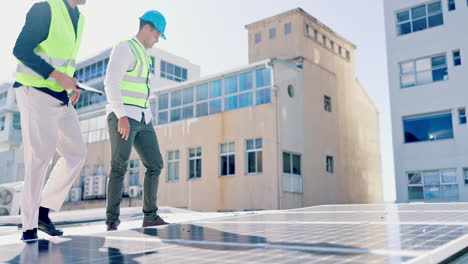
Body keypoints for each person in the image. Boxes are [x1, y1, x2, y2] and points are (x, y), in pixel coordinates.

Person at [12, 0, 88, 240]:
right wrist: (58, 76)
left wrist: (72, 80)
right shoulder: (45, 8)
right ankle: (29, 225)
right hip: (34, 90)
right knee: (39, 156)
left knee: (76, 152)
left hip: (60, 95)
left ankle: (43, 211)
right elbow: (21, 49)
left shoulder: (80, 18)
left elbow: (65, 58)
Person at [104, 10, 167, 231]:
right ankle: (112, 220)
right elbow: (111, 83)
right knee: (119, 166)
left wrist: (148, 117)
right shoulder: (124, 48)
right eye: (158, 34)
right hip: (124, 117)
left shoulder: (145, 56)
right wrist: (121, 116)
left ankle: (150, 216)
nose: (158, 39)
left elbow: (141, 90)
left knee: (155, 164)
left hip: (143, 117)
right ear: (147, 28)